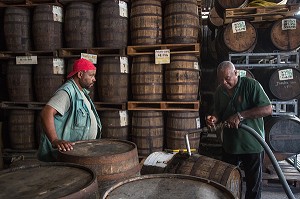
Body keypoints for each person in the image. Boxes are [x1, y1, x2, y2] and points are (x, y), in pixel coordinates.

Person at [206, 61, 272, 199]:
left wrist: (241, 115)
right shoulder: (219, 91)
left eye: (227, 78)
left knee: (253, 187)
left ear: (236, 73)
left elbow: (267, 109)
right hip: (230, 146)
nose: (224, 82)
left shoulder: (251, 85)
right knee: (227, 184)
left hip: (252, 144)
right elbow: (218, 112)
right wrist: (214, 118)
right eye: (221, 79)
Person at [37, 58, 102, 162]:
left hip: (77, 154)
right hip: (64, 155)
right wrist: (54, 140)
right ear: (80, 74)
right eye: (91, 75)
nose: (94, 79)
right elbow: (46, 112)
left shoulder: (81, 92)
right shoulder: (67, 91)